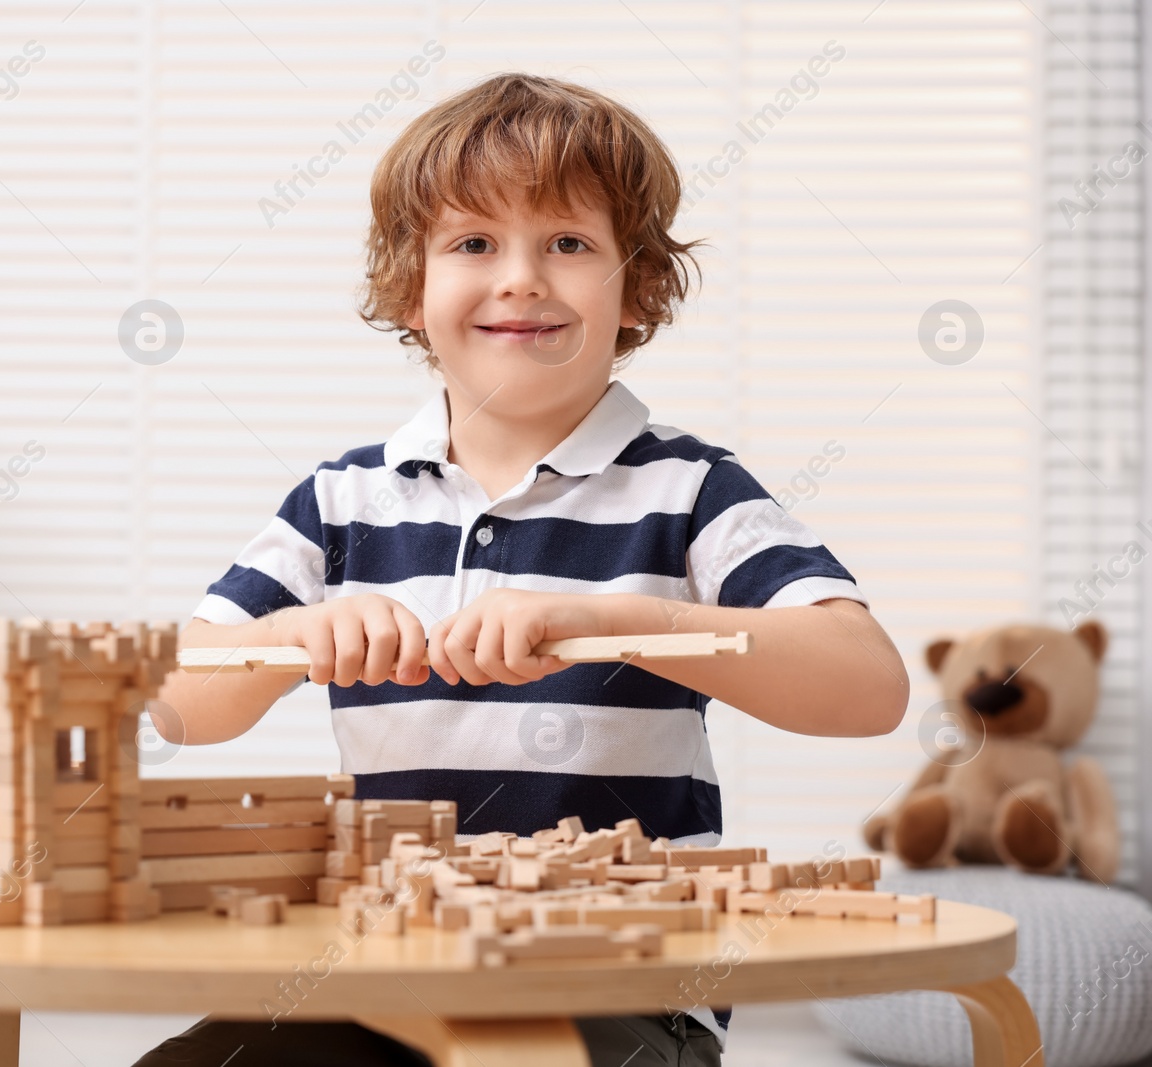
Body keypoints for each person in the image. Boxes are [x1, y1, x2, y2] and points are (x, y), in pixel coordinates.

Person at [137, 71, 908, 1067]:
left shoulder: (690, 491)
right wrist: (289, 638)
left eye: (569, 244)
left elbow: (866, 684)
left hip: (628, 982)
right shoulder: (340, 500)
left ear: (636, 287)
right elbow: (174, 702)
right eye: (472, 243)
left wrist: (613, 622)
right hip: (376, 972)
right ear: (408, 288)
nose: (520, 277)